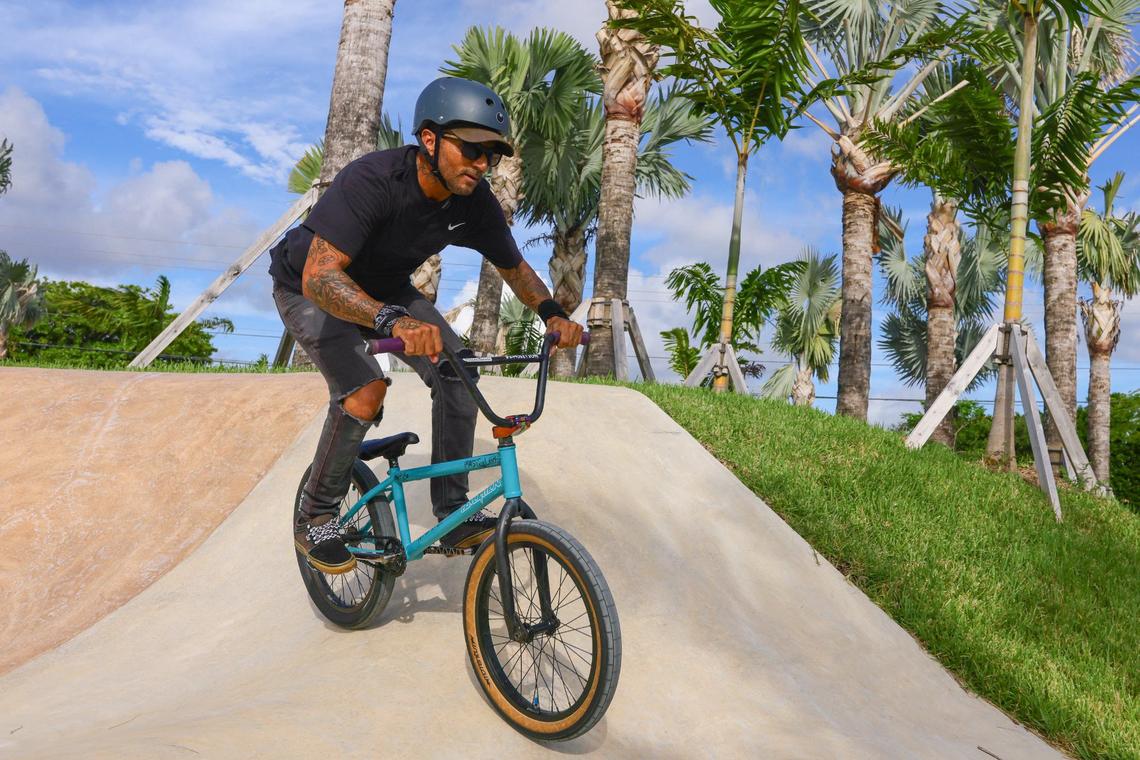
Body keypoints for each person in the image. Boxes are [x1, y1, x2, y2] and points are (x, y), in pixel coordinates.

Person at [268, 77, 583, 575]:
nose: (481, 165)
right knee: (365, 389)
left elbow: (515, 267)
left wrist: (553, 314)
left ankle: (452, 511)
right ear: (430, 139)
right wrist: (390, 318)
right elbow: (320, 275)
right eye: (471, 150)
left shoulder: (474, 202)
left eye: (491, 155)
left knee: (459, 372)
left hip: (387, 286)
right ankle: (317, 514)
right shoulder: (372, 181)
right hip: (309, 284)